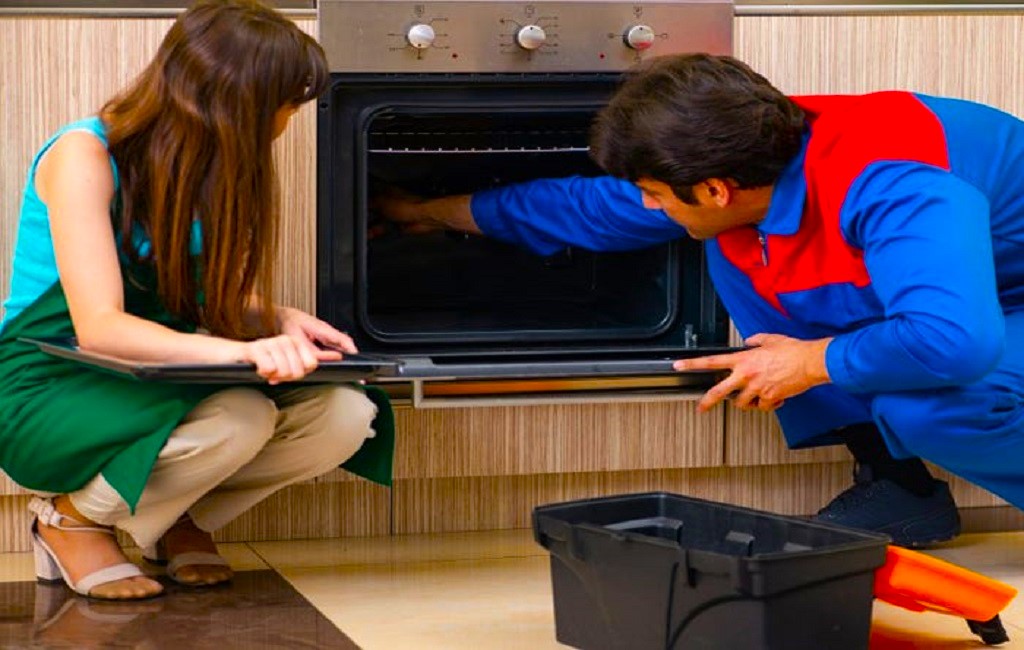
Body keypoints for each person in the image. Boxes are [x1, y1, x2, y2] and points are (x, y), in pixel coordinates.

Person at [374, 53, 1024, 548]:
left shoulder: (894, 182)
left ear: (713, 189)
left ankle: (915, 461)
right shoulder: (748, 155)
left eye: (656, 193)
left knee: (937, 406)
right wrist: (430, 211)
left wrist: (812, 361)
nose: (648, 207)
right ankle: (898, 484)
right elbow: (590, 209)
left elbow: (954, 340)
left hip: (994, 305)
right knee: (740, 249)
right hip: (961, 291)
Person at [0, 0, 393, 601]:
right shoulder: (83, 155)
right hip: (54, 373)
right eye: (283, 105)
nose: (286, 120)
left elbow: (219, 294)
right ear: (229, 99)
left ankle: (173, 518)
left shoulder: (217, 164)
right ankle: (71, 521)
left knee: (344, 416)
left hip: (168, 366)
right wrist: (242, 353)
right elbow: (99, 328)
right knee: (241, 415)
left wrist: (279, 317)